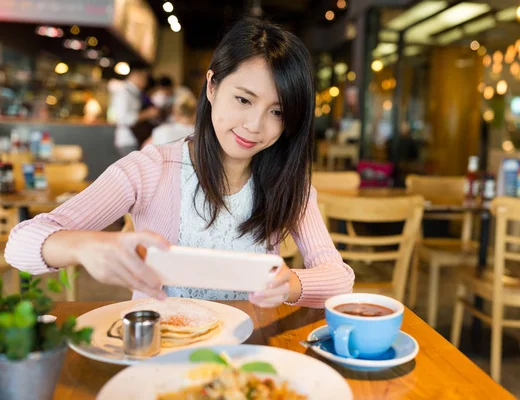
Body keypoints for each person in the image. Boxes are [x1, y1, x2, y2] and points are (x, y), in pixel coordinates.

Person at [5, 17, 354, 309]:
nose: (254, 125)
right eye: (243, 100)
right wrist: (87, 246)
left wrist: (291, 283)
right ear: (212, 87)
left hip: (244, 355)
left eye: (277, 112)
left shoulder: (289, 183)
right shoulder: (151, 168)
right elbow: (19, 244)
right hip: (160, 350)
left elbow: (339, 278)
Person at [109, 62, 160, 157]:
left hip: (136, 138)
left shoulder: (135, 93)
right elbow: (123, 119)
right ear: (136, 75)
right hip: (128, 140)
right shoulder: (123, 92)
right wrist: (148, 113)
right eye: (144, 77)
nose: (146, 81)